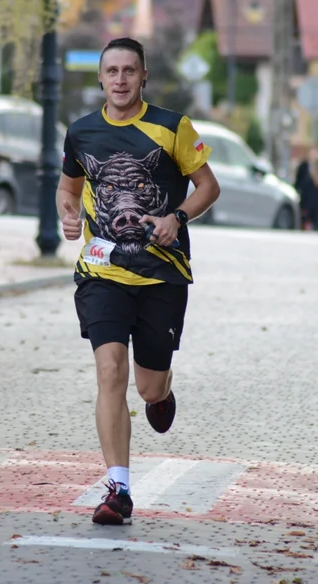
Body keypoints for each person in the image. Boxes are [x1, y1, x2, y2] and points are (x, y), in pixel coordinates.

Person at [58, 37, 221, 526]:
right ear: (101, 78)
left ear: (143, 76)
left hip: (162, 275)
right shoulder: (81, 133)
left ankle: (163, 393)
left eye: (130, 71)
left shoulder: (173, 127)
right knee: (110, 372)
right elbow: (69, 187)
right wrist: (67, 213)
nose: (121, 79)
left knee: (147, 389)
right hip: (101, 271)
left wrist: (177, 217)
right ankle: (118, 489)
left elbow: (209, 186)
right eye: (112, 71)